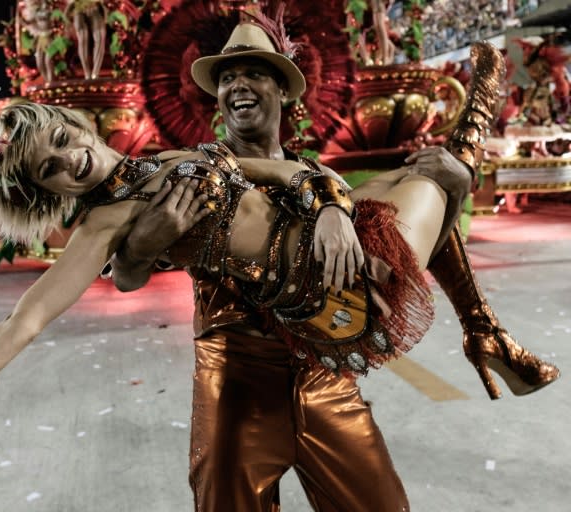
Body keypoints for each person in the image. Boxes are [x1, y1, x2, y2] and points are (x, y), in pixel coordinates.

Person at [0, 23, 546, 511]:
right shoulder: (104, 225)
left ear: (76, 125)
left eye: (63, 137)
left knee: (444, 177)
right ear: (50, 193)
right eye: (53, 169)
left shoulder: (178, 160)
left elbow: (294, 175)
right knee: (443, 179)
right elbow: (24, 318)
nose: (72, 157)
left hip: (356, 269)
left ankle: (477, 253)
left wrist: (326, 201)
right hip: (285, 336)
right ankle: (473, 191)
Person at [109, 21, 558, 511]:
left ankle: (482, 327)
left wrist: (454, 184)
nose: (237, 85)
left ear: (282, 88)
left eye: (253, 73)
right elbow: (127, 278)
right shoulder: (195, 172)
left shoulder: (324, 177)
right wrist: (138, 248)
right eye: (227, 77)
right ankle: (484, 331)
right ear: (217, 97)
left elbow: (412, 245)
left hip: (327, 377)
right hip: (237, 387)